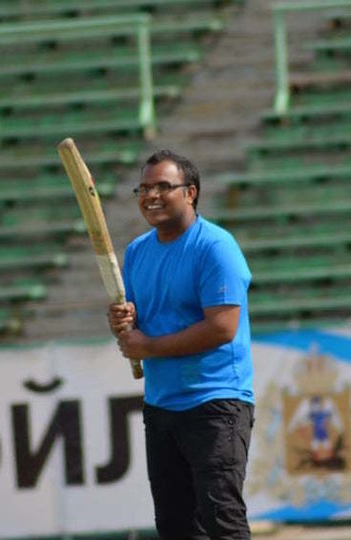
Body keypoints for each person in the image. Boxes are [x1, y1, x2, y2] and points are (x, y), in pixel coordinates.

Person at [108, 150, 254, 539]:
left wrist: (148, 346)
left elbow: (222, 328)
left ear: (190, 193)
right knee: (175, 528)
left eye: (163, 187)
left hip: (215, 403)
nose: (151, 195)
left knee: (221, 520)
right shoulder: (138, 251)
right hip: (161, 406)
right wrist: (123, 323)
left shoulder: (216, 247)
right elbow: (139, 322)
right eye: (144, 188)